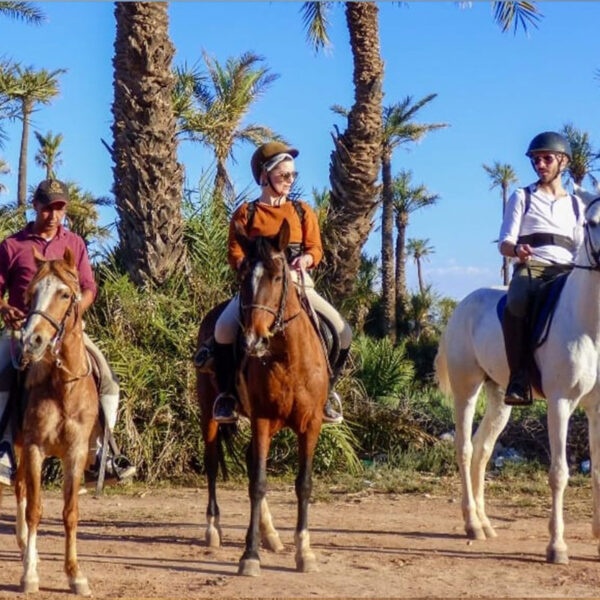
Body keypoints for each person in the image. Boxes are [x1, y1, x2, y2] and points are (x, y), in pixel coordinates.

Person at [0, 179, 136, 487]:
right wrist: (5, 308)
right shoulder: (12, 245)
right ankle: (5, 448)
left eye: (59, 208)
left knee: (107, 379)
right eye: (47, 207)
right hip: (24, 331)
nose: (53, 214)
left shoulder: (74, 244)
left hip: (66, 332)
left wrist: (73, 315)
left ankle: (101, 454)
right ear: (35, 206)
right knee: (2, 373)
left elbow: (89, 288)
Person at [210, 141, 352, 424]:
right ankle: (228, 396)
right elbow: (235, 251)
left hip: (298, 283)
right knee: (223, 329)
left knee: (342, 330)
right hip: (258, 288)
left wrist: (307, 260)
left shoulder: (302, 211)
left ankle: (327, 393)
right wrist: (247, 266)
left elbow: (315, 248)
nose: (289, 181)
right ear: (265, 176)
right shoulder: (246, 213)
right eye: (283, 175)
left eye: (292, 176)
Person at [498, 131, 584, 406]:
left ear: (563, 162)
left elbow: (581, 244)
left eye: (547, 159)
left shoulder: (575, 204)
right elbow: (505, 242)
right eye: (536, 160)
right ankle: (518, 378)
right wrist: (517, 250)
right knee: (517, 299)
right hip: (533, 267)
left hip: (568, 270)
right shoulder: (521, 196)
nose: (540, 165)